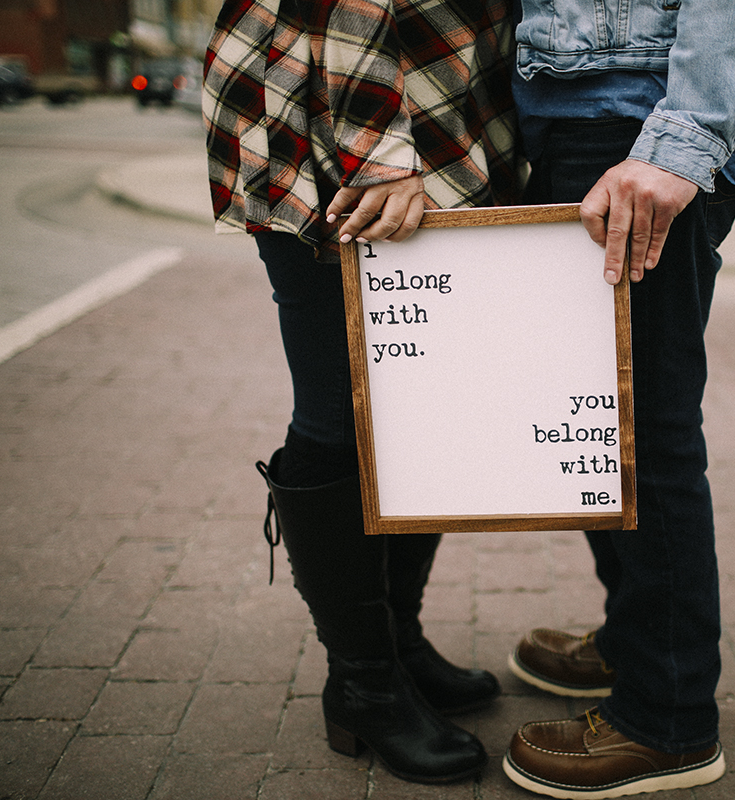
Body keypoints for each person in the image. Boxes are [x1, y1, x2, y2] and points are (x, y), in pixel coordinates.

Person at [202, 0, 521, 785]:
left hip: (428, 111)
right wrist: (376, 160)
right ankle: (364, 684)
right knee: (343, 412)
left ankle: (398, 647)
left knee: (418, 407)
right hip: (329, 119)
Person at [500, 0, 735, 797]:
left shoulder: (654, 134)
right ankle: (639, 645)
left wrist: (684, 139)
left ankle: (667, 721)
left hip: (638, 126)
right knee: (603, 421)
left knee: (642, 429)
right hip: (585, 117)